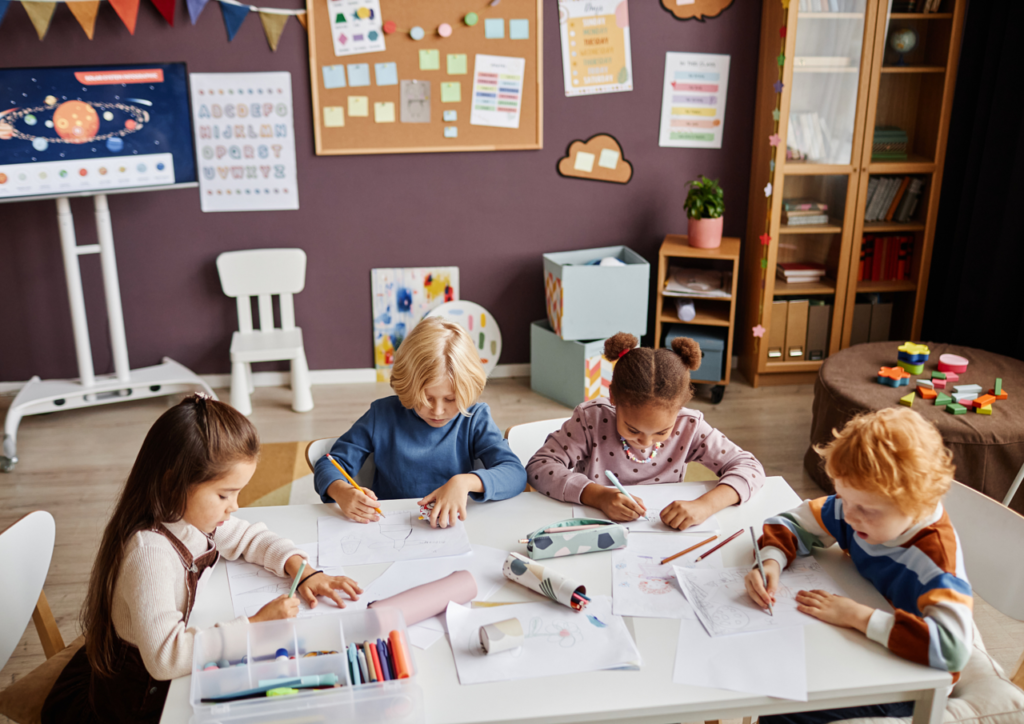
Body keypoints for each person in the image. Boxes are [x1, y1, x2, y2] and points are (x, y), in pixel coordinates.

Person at [42, 394, 362, 724]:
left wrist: (304, 570)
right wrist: (255, 627)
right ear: (173, 483)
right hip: (140, 696)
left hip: (171, 664)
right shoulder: (149, 553)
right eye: (224, 494)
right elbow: (165, 657)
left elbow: (247, 537)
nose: (234, 506)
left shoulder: (185, 515)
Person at [746, 407, 972, 724]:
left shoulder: (936, 562)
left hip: (909, 688)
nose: (849, 517)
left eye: (865, 510)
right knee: (773, 673)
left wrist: (857, 616)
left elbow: (952, 650)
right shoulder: (860, 509)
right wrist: (772, 559)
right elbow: (792, 521)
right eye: (842, 497)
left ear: (915, 504)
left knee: (783, 708)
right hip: (866, 647)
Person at [527, 332, 764, 529]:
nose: (645, 441)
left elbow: (750, 468)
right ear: (613, 397)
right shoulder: (591, 419)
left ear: (679, 409)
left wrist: (705, 505)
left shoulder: (689, 427)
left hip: (663, 534)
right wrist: (598, 496)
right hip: (595, 527)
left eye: (662, 432)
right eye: (632, 429)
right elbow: (540, 466)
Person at [313, 316, 526, 528]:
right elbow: (330, 462)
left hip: (452, 529)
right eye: (426, 399)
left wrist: (465, 482)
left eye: (450, 399)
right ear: (407, 387)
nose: (438, 411)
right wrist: (341, 491)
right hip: (390, 527)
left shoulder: (474, 418)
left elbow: (515, 473)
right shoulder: (382, 415)